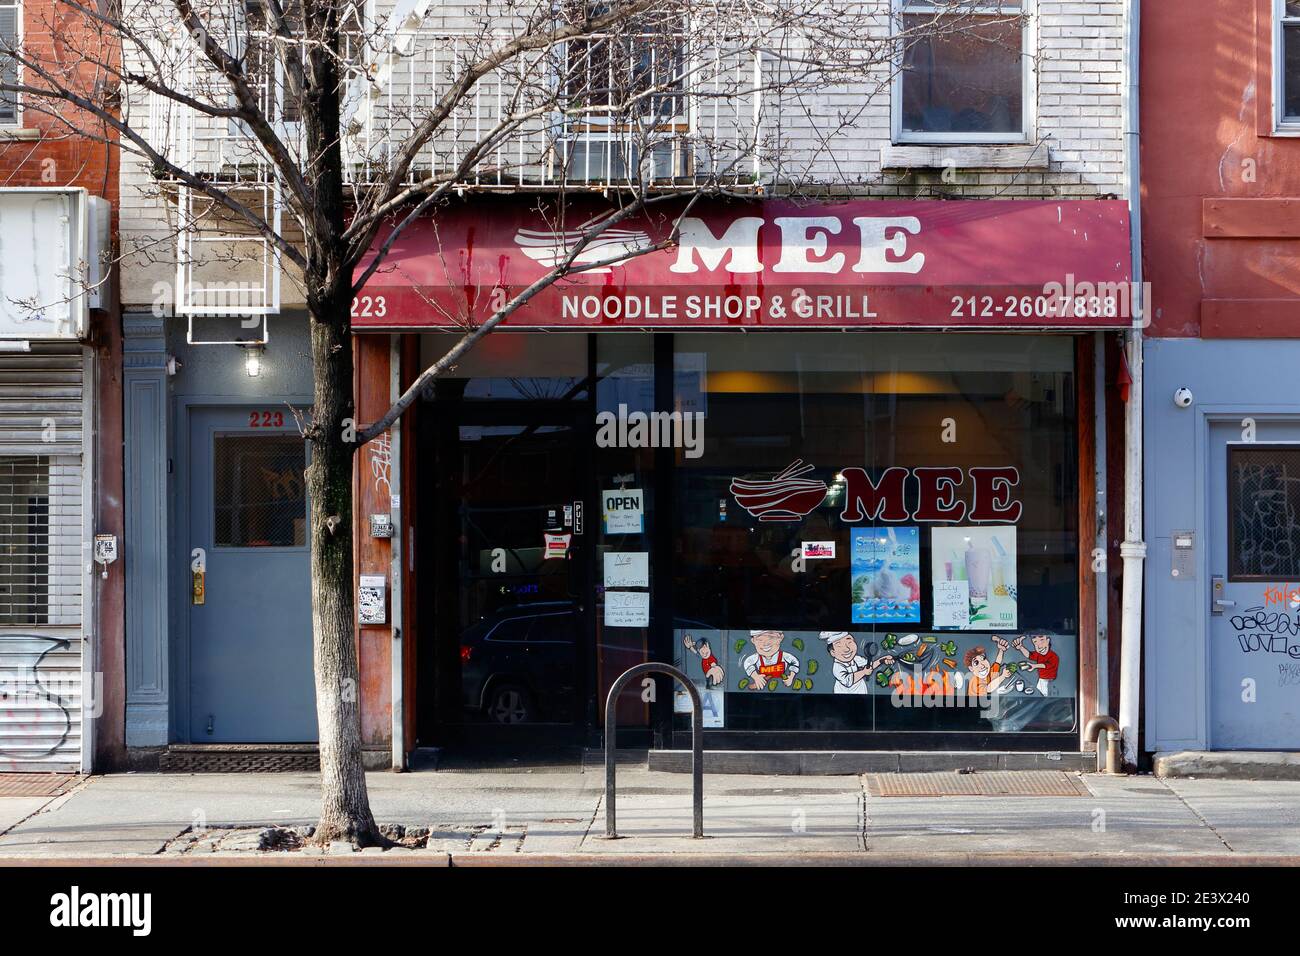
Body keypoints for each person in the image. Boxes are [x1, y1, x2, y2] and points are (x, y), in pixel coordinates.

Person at [822, 630, 892, 695]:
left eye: (849, 642)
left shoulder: (856, 658)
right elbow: (847, 681)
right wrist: (864, 672)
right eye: (839, 645)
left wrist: (882, 660)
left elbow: (869, 666)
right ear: (833, 652)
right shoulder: (837, 667)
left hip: (861, 690)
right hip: (844, 694)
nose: (847, 649)